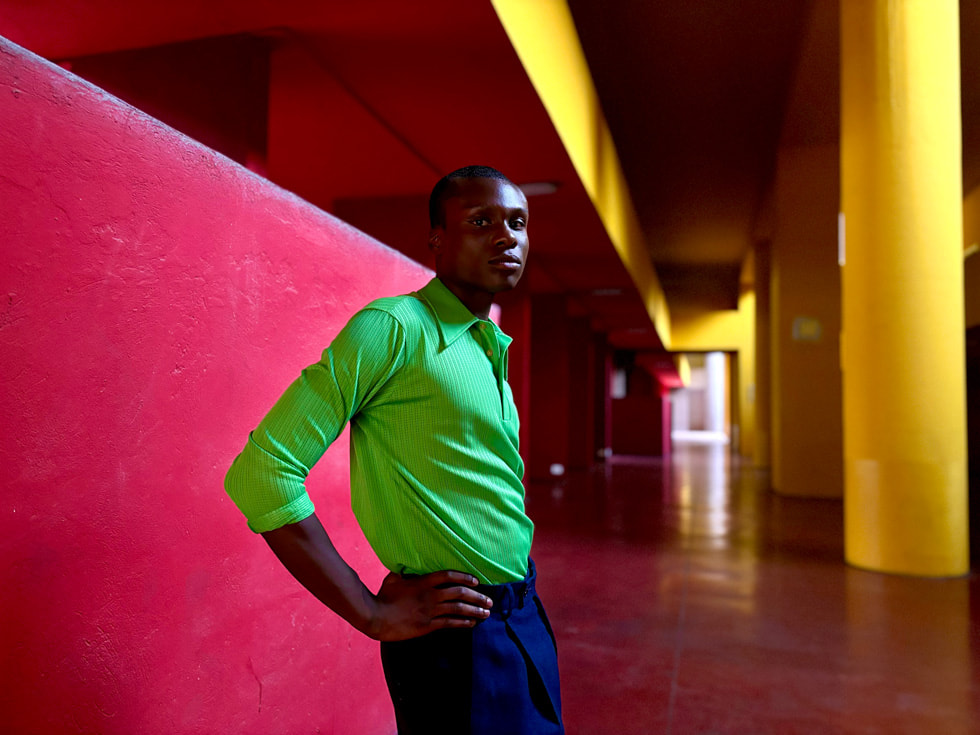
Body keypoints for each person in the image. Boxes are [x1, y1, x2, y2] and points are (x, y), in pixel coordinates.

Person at [224, 165, 564, 734]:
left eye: (518, 223)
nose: (507, 237)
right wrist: (369, 611)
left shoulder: (487, 346)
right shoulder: (394, 327)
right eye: (481, 222)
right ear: (437, 238)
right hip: (456, 638)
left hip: (523, 613)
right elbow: (262, 472)